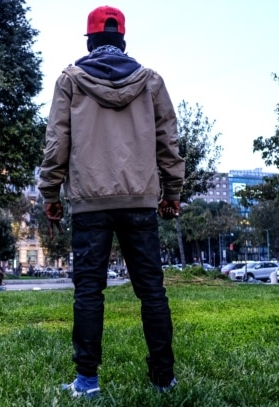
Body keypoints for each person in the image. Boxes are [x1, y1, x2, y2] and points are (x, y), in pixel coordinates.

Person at [38, 5, 185, 398]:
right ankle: (163, 380)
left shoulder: (70, 80)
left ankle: (87, 382)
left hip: (89, 202)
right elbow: (168, 142)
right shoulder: (151, 82)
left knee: (88, 291)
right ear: (122, 40)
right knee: (152, 290)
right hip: (140, 200)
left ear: (89, 41)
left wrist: (51, 193)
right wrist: (171, 192)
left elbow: (57, 142)